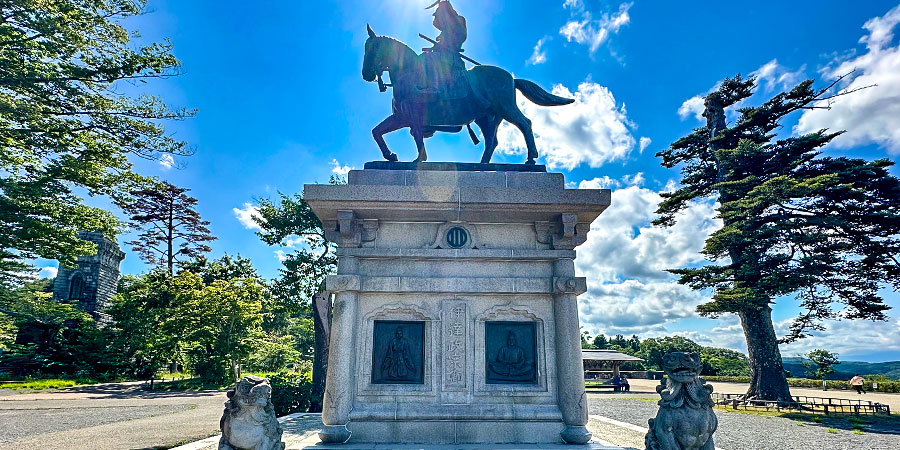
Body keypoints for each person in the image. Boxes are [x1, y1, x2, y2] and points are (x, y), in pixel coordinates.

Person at [420, 0, 468, 96]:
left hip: (450, 54)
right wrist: (434, 47)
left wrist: (449, 44)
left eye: (441, 13)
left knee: (433, 59)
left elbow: (461, 36)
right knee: (424, 57)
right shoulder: (445, 29)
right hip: (441, 52)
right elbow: (437, 25)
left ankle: (435, 86)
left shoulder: (459, 20)